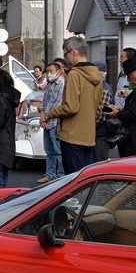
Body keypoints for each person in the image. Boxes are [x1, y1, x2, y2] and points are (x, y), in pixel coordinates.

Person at [45, 36, 102, 174]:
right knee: (85, 179)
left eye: (66, 54)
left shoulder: (74, 75)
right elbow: (98, 109)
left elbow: (70, 107)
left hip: (72, 136)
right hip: (89, 136)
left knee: (73, 180)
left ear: (74, 51)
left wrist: (50, 112)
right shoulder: (97, 74)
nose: (66, 59)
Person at [37, 61, 66, 182]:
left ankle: (60, 176)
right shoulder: (49, 84)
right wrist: (42, 117)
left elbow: (58, 104)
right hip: (47, 122)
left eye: (51, 71)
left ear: (59, 72)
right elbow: (44, 103)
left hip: (55, 122)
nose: (49, 74)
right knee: (49, 151)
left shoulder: (62, 84)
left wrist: (45, 117)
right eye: (47, 71)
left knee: (58, 151)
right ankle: (50, 175)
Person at [92, 61, 114, 162]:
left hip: (101, 133)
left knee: (99, 162)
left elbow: (100, 116)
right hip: (97, 132)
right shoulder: (98, 88)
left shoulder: (104, 90)